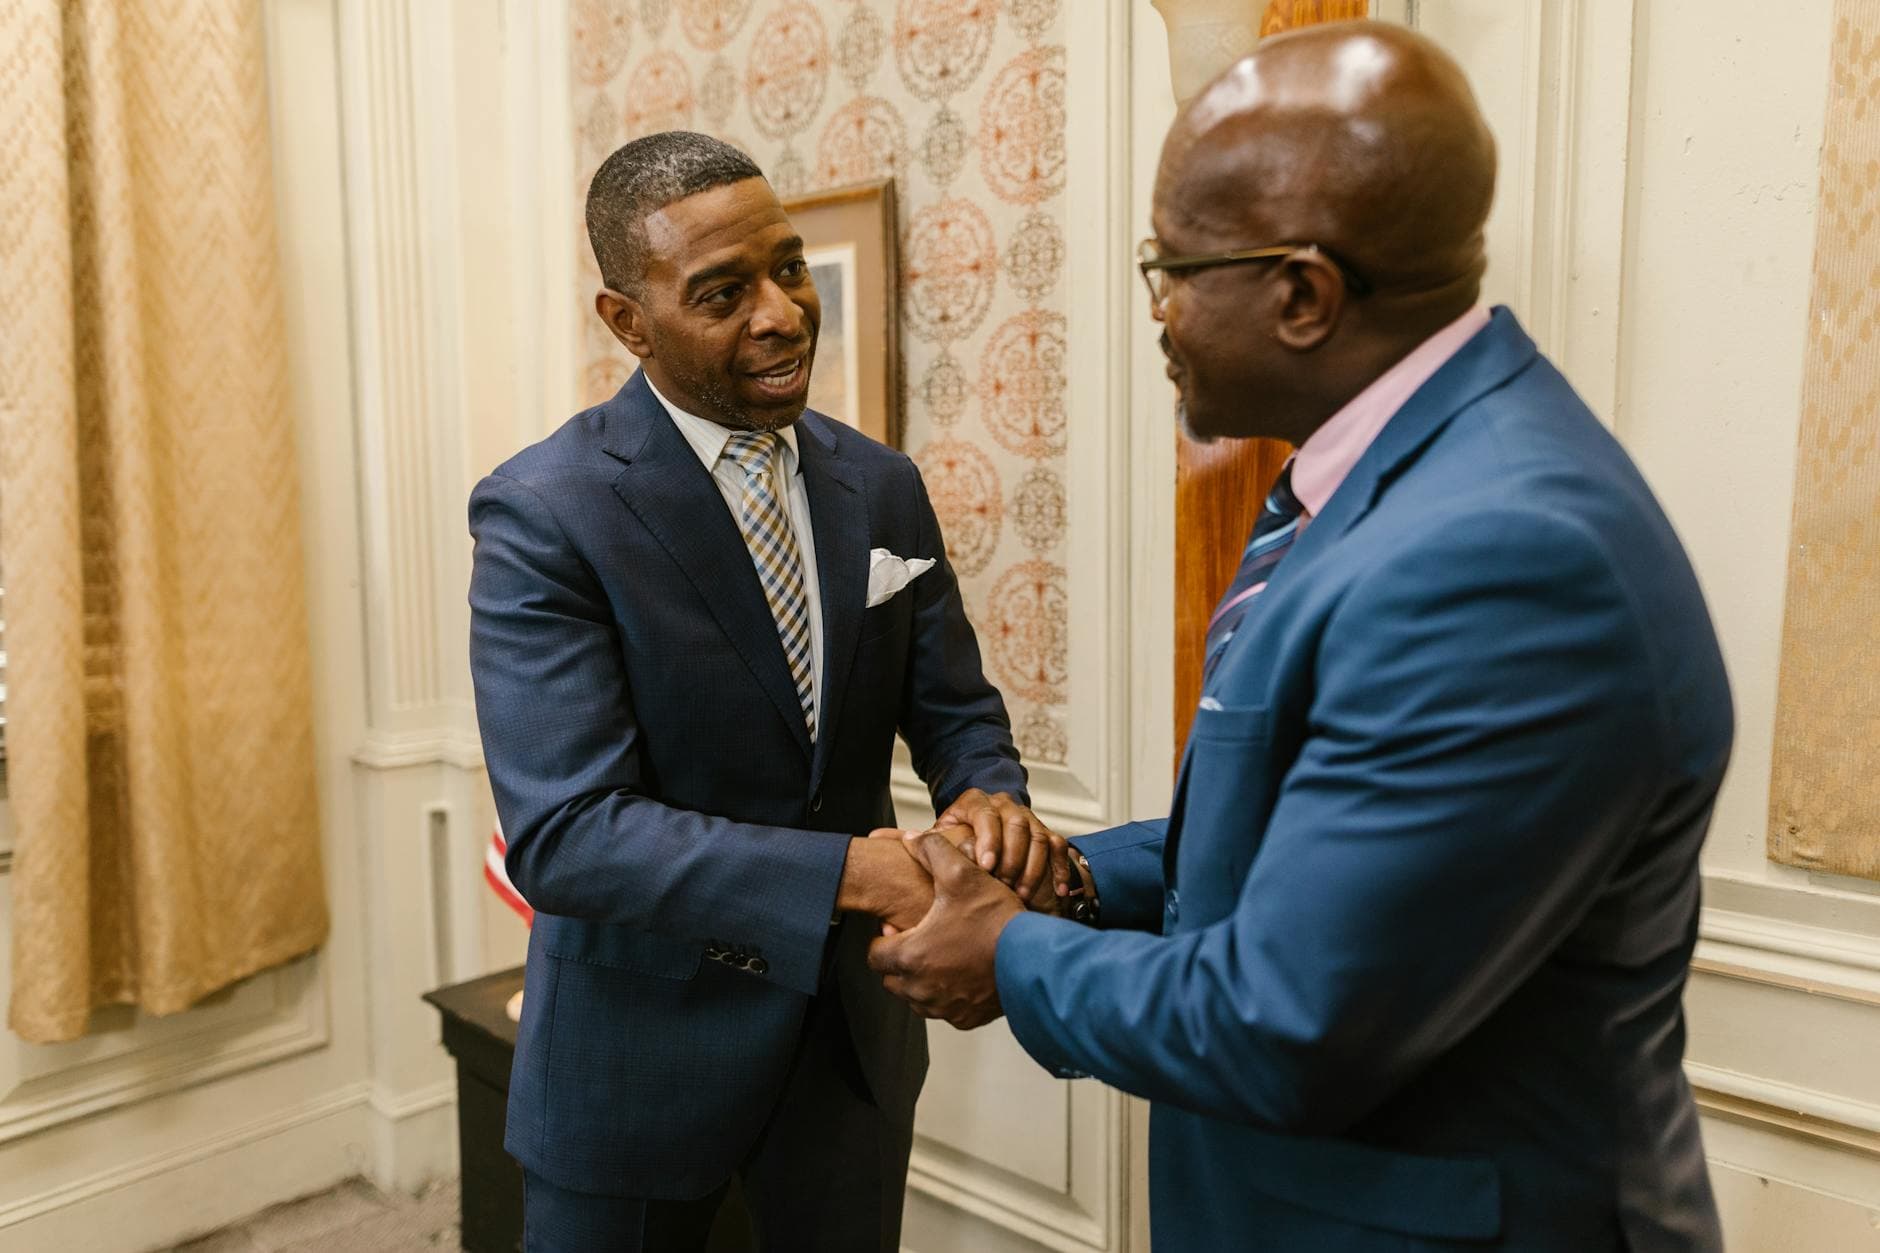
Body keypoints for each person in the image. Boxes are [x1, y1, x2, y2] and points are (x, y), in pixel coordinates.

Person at [866, 22, 1733, 1252]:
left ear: (1301, 293)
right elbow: (1300, 825)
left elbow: (1289, 1018)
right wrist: (1059, 877)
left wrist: (1007, 955)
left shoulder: (1500, 554)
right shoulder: (1377, 482)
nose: (1156, 307)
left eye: (1170, 266)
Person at [469, 132, 1062, 1252]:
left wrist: (986, 792)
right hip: (637, 1058)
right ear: (626, 321)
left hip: (849, 1048)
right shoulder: (544, 513)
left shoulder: (880, 485)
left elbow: (954, 708)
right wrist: (852, 869)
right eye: (721, 293)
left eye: (787, 267)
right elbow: (567, 834)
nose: (783, 314)